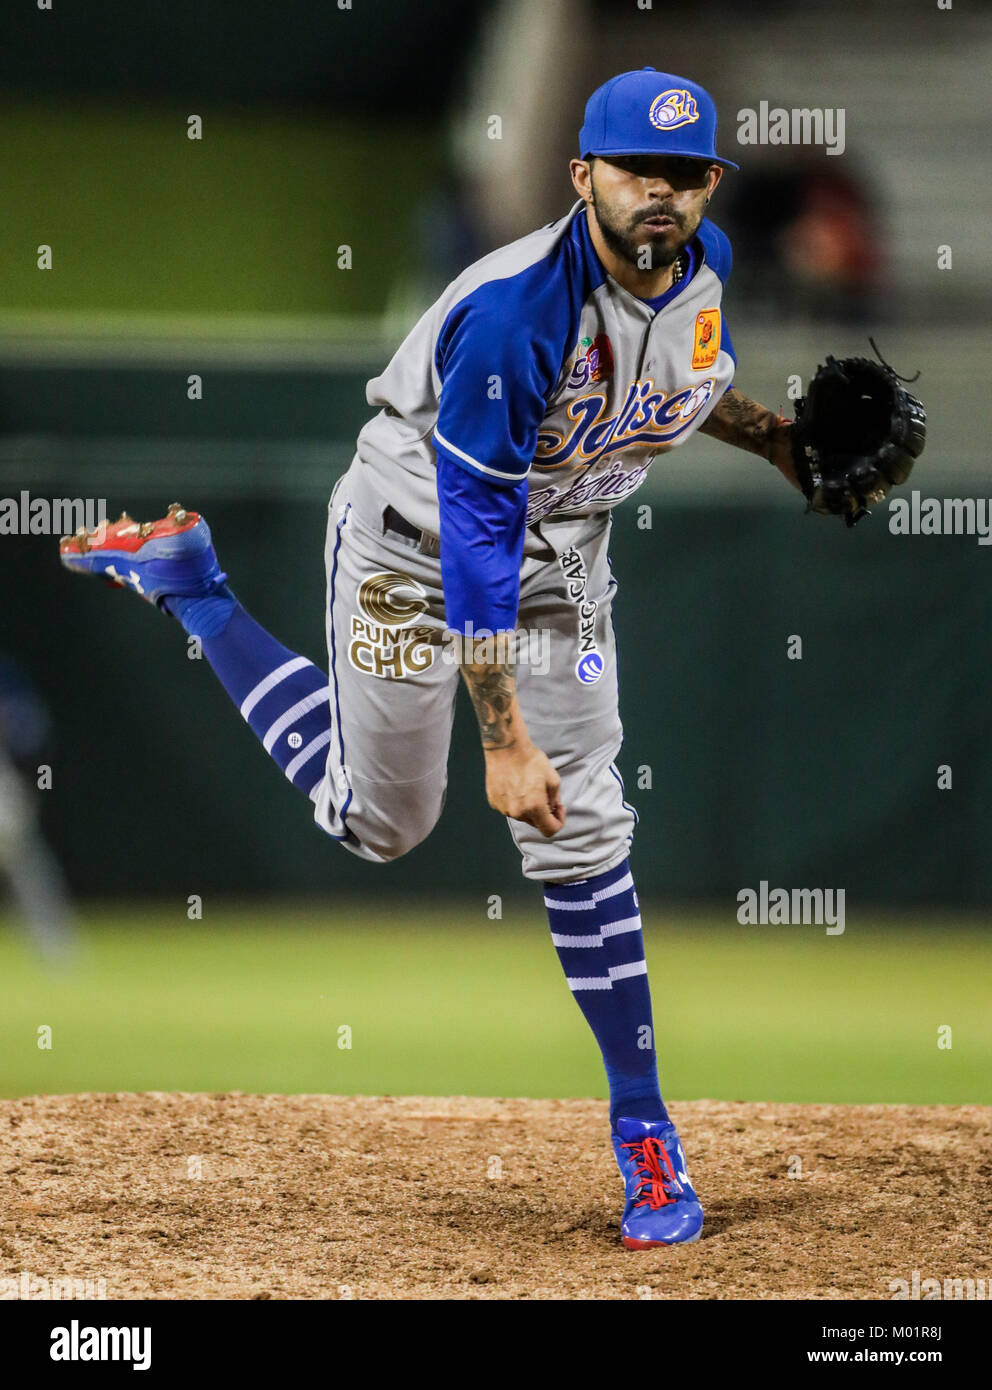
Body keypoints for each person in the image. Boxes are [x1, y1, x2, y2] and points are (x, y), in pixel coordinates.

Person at [61, 69, 800, 1248]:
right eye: (633, 170)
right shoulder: (518, 315)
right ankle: (196, 592)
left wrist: (780, 442)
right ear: (582, 178)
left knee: (584, 825)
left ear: (708, 183)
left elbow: (677, 385)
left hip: (563, 562)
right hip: (413, 555)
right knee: (377, 821)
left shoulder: (694, 272)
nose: (657, 193)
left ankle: (643, 1131)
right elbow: (475, 538)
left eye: (680, 173)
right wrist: (502, 737)